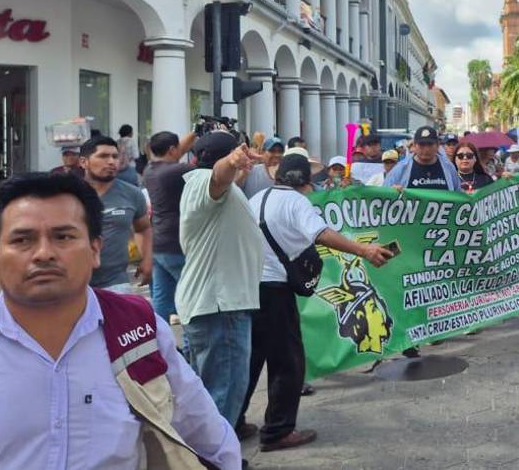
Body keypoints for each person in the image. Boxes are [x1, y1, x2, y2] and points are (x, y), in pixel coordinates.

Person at [0, 173, 240, 468]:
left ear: (95, 250)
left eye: (63, 237)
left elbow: (208, 436)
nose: (44, 254)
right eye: (23, 240)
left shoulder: (138, 329)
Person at [240, 152, 394, 452]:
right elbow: (321, 234)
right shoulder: (297, 202)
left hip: (250, 287)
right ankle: (277, 431)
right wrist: (363, 250)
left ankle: (233, 420)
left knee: (251, 358)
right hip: (276, 290)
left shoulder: (255, 199)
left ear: (277, 175)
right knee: (287, 362)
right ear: (306, 181)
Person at [176, 131, 265, 430]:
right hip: (220, 309)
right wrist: (232, 161)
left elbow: (225, 182)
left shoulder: (219, 192)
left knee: (208, 397)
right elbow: (218, 176)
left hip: (215, 307)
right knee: (223, 397)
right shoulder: (202, 181)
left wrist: (238, 166)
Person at [80, 136, 152, 292]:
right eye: (103, 156)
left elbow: (143, 228)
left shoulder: (132, 194)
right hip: (73, 283)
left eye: (115, 156)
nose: (112, 162)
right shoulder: (68, 194)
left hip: (116, 281)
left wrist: (147, 259)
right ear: (84, 162)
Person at [142, 130, 196, 320]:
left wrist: (196, 131)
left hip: (158, 244)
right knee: (190, 298)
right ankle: (190, 347)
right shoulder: (177, 171)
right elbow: (212, 172)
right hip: (176, 244)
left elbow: (177, 151)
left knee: (161, 299)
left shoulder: (150, 170)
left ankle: (160, 343)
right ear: (172, 149)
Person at [384, 126, 462, 191]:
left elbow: (458, 195)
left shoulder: (448, 167)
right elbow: (383, 195)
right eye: (422, 144)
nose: (426, 149)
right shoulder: (400, 169)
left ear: (438, 145)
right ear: (414, 145)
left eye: (430, 144)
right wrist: (392, 192)